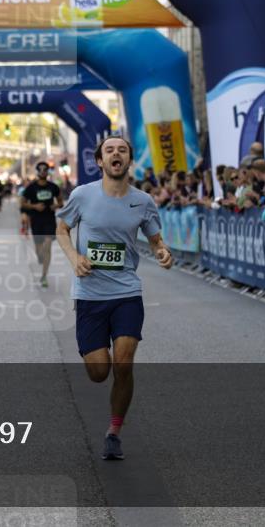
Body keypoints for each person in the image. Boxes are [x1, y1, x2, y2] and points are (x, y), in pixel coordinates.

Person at [55, 136, 173, 461]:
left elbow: (156, 239)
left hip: (126, 292)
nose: (116, 154)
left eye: (122, 150)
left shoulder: (143, 201)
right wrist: (73, 258)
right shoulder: (82, 195)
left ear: (129, 160)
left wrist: (163, 252)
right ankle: (110, 402)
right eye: (110, 150)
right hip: (90, 294)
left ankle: (114, 431)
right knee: (98, 372)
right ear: (100, 161)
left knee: (124, 361)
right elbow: (61, 229)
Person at [21, 162, 63, 288]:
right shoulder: (31, 187)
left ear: (48, 172)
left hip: (49, 220)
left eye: (46, 170)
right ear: (38, 172)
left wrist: (55, 206)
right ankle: (40, 257)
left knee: (48, 245)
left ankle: (44, 276)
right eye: (41, 170)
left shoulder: (53, 187)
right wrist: (34, 206)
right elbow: (22, 203)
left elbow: (61, 203)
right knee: (39, 249)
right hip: (36, 221)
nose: (43, 172)